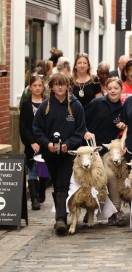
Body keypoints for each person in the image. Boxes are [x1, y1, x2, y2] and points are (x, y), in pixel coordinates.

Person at [33, 73, 86, 235]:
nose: (60, 87)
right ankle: (61, 214)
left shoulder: (76, 106)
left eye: (62, 84)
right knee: (56, 182)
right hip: (50, 154)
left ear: (67, 86)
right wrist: (46, 143)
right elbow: (37, 129)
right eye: (56, 84)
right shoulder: (45, 106)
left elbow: (80, 129)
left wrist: (68, 144)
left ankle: (60, 219)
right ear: (52, 87)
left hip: (68, 153)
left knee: (63, 182)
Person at [84, 77, 126, 224]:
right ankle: (90, 207)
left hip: (110, 151)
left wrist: (123, 128)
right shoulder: (96, 103)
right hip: (93, 149)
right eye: (110, 88)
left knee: (110, 174)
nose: (113, 91)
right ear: (106, 89)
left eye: (116, 88)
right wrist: (85, 132)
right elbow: (82, 120)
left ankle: (116, 210)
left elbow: (129, 129)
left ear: (121, 90)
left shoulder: (123, 108)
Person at [20, 74, 49, 210]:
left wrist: (46, 141)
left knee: (44, 170)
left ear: (43, 87)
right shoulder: (26, 105)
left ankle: (41, 191)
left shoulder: (48, 102)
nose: (37, 88)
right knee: (32, 170)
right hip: (32, 143)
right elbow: (23, 126)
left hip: (45, 142)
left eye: (39, 85)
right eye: (34, 86)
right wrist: (31, 142)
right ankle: (34, 200)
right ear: (30, 87)